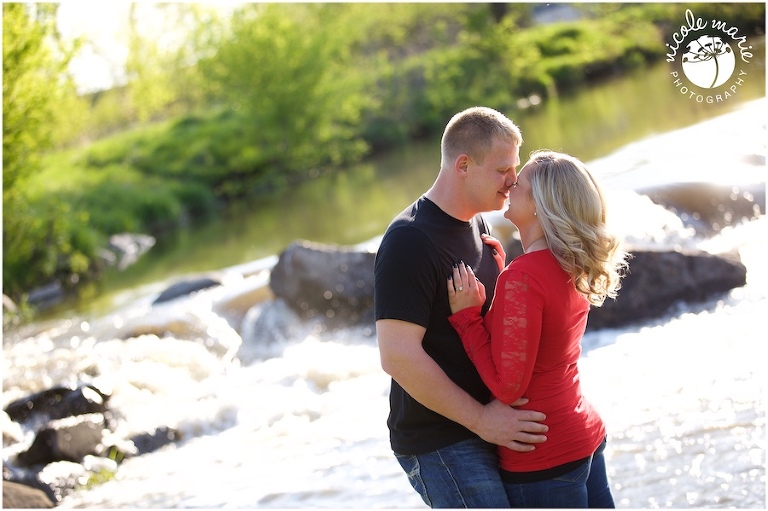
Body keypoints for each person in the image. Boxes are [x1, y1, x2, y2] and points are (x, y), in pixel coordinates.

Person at [374, 106, 549, 508]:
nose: (514, 181)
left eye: (515, 168)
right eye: (503, 169)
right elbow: (397, 356)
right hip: (442, 439)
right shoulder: (409, 240)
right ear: (464, 165)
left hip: (490, 419)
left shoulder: (476, 220)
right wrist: (481, 420)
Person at [446, 150, 628, 508]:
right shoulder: (568, 262)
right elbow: (538, 333)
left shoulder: (523, 277)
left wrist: (467, 319)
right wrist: (501, 269)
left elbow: (507, 388)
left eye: (520, 181)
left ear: (540, 204)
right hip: (583, 433)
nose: (511, 183)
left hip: (544, 457)